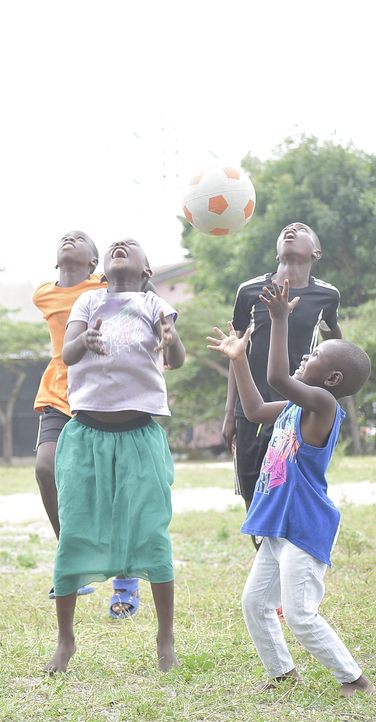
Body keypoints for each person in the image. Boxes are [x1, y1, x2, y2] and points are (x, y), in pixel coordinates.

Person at [207, 279, 373, 698]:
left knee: (299, 614)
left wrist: (279, 319)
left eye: (314, 355)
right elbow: (253, 409)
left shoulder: (324, 406)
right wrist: (239, 359)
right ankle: (283, 674)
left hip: (303, 526)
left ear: (332, 378)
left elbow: (278, 377)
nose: (305, 355)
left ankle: (354, 680)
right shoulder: (295, 408)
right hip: (279, 526)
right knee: (255, 603)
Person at [47, 239, 185, 674]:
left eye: (132, 245)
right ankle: (65, 641)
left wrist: (171, 338)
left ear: (147, 270)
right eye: (115, 246)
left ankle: (165, 637)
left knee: (151, 531)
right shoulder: (89, 301)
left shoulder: (154, 304)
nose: (121, 245)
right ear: (103, 270)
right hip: (86, 435)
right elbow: (67, 354)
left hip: (140, 435)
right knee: (75, 531)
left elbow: (177, 359)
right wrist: (83, 339)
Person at [32, 231, 142, 615]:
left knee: (111, 488)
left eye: (80, 239)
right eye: (65, 237)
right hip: (58, 393)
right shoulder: (43, 294)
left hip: (100, 394)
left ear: (95, 263)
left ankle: (125, 577)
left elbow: (139, 291)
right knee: (45, 468)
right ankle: (73, 558)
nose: (70, 238)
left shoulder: (105, 287)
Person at [222, 223, 341, 537]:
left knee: (288, 484)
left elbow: (336, 347)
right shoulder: (250, 291)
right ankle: (264, 550)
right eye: (287, 229)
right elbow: (236, 352)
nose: (291, 230)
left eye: (301, 229)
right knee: (252, 490)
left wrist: (324, 400)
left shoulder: (327, 295)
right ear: (276, 252)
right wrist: (230, 412)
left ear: (316, 252)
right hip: (251, 405)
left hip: (295, 408)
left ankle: (290, 546)